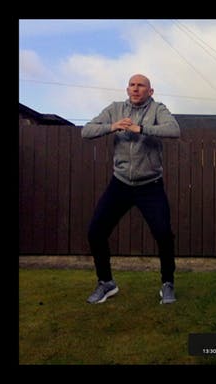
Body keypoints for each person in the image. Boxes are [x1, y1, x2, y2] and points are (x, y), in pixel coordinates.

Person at [81, 74, 181, 305]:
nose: (136, 89)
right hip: (121, 183)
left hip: (150, 185)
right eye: (132, 85)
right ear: (127, 89)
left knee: (164, 234)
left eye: (141, 86)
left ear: (150, 91)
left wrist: (142, 128)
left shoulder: (158, 109)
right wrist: (112, 126)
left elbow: (173, 130)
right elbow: (86, 131)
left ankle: (167, 283)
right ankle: (106, 282)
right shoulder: (115, 109)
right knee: (96, 231)